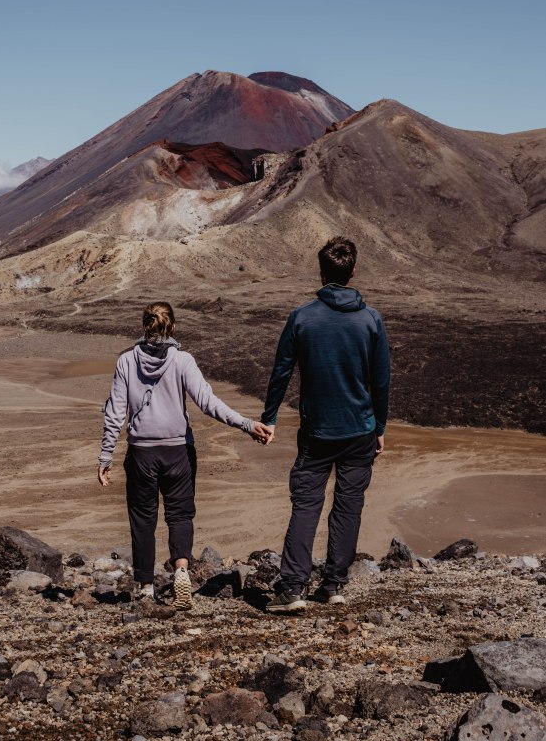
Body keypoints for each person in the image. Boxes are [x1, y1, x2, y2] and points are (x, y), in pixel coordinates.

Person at [97, 301, 271, 609]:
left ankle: (146, 587)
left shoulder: (126, 362)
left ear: (144, 327)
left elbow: (115, 413)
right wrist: (246, 424)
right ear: (173, 327)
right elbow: (207, 402)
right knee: (180, 514)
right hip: (178, 451)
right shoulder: (183, 360)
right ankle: (180, 569)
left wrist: (105, 456)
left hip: (141, 454)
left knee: (142, 520)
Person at [261, 236, 390, 612]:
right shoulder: (371, 320)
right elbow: (381, 381)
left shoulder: (303, 317)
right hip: (360, 430)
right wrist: (379, 426)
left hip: (317, 432)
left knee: (306, 505)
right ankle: (334, 584)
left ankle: (294, 589)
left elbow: (281, 372)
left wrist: (269, 419)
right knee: (349, 507)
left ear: (322, 271)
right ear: (352, 272)